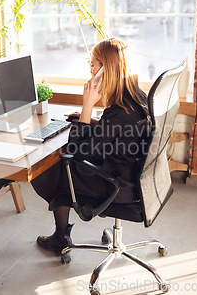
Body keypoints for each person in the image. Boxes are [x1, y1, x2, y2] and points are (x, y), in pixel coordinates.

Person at [30, 37, 150, 255]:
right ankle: (60, 234)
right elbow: (118, 131)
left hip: (117, 187)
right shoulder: (138, 98)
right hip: (133, 178)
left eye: (93, 65)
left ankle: (60, 238)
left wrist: (87, 106)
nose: (90, 70)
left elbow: (78, 151)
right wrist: (93, 121)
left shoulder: (118, 111)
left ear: (106, 70)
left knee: (57, 164)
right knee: (63, 159)